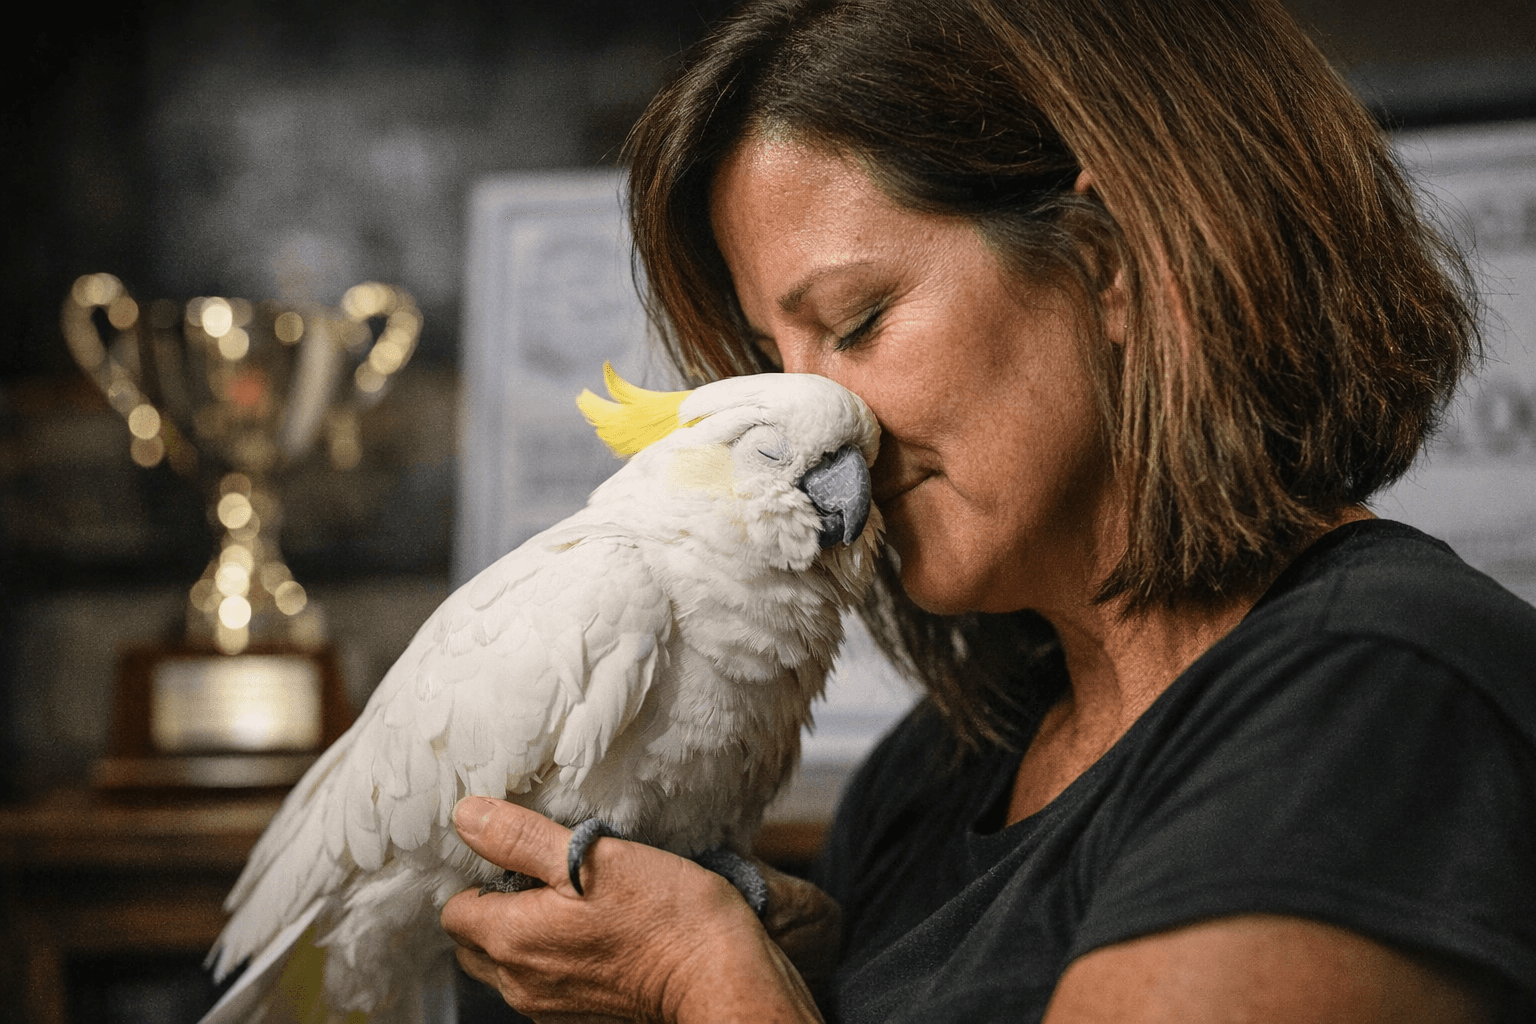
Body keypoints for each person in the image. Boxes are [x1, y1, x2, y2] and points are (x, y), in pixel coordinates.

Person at [440, 0, 1536, 1020]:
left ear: (1109, 262)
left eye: (858, 321)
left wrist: (705, 976)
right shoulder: (942, 766)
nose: (822, 415)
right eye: (773, 362)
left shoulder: (1384, 694)